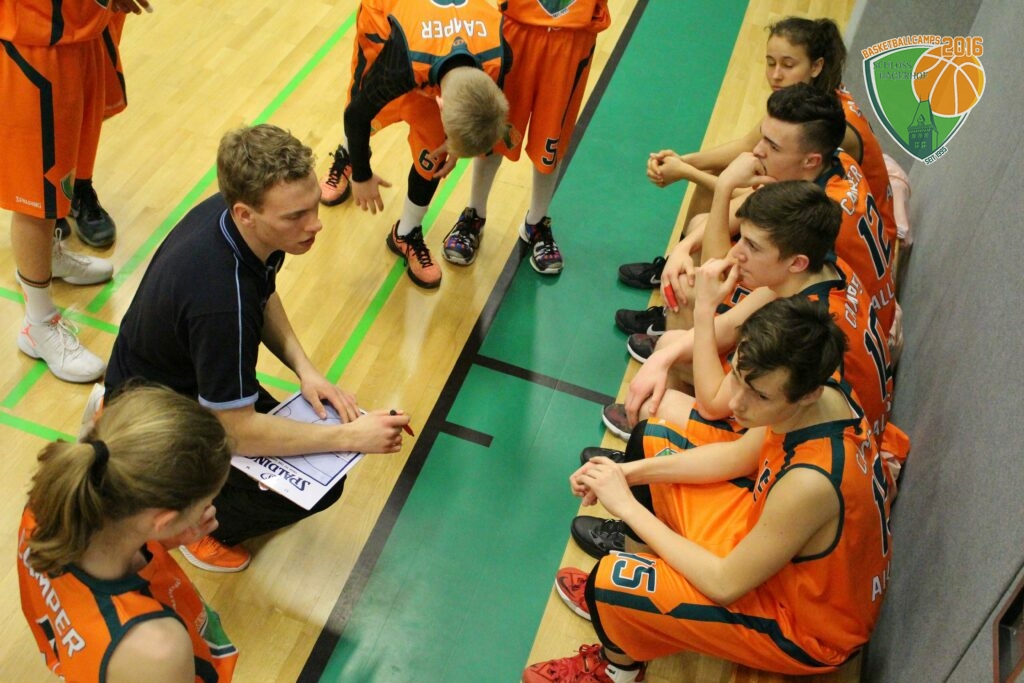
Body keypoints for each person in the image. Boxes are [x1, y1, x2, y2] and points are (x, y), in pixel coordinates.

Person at [523, 297, 895, 682]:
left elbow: (724, 583)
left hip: (804, 626)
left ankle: (616, 668)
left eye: (759, 395)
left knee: (612, 581)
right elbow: (736, 457)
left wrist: (627, 506)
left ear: (807, 394)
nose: (736, 402)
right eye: (738, 376)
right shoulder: (821, 392)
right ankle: (638, 610)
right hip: (779, 554)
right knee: (650, 441)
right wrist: (627, 474)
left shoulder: (810, 482)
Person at [105, 124, 411, 572]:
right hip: (156, 421)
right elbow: (236, 431)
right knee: (323, 484)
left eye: (313, 206)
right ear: (246, 213)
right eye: (295, 216)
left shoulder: (242, 222)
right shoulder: (220, 302)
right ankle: (194, 525)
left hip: (164, 380)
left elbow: (261, 291)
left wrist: (306, 370)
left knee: (304, 438)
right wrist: (351, 437)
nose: (315, 224)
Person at [604, 181, 893, 448]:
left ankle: (653, 443)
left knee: (658, 405)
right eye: (741, 238)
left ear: (796, 263)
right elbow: (730, 325)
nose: (736, 253)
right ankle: (652, 441)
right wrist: (662, 358)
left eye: (752, 246)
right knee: (671, 346)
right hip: (842, 416)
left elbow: (713, 404)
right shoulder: (815, 272)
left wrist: (704, 307)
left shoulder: (801, 323)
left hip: (817, 445)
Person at [18, 384, 239, 682]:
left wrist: (161, 540)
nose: (209, 509)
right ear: (162, 520)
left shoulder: (48, 505)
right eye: (206, 502)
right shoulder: (158, 648)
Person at [318, 0, 510, 289]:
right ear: (441, 103)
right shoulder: (400, 63)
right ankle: (347, 156)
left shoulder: (500, 52)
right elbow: (356, 114)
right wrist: (362, 174)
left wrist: (454, 144)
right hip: (385, 25)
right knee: (363, 106)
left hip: (429, 52)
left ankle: (406, 233)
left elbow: (484, 111)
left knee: (433, 154)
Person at [1, 0, 128, 383]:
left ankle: (48, 259)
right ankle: (37, 324)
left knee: (65, 170)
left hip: (81, 30)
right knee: (36, 195)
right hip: (33, 43)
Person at [440, 0, 611, 275]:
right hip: (517, 27)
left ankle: (536, 222)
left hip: (572, 35)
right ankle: (475, 214)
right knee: (494, 129)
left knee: (551, 141)